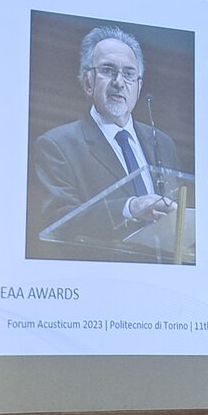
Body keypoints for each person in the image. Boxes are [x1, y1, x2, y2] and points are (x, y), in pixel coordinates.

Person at [31, 26, 181, 257]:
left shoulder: (163, 143)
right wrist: (129, 208)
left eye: (129, 73)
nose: (119, 82)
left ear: (139, 86)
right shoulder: (58, 145)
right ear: (88, 83)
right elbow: (59, 222)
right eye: (108, 70)